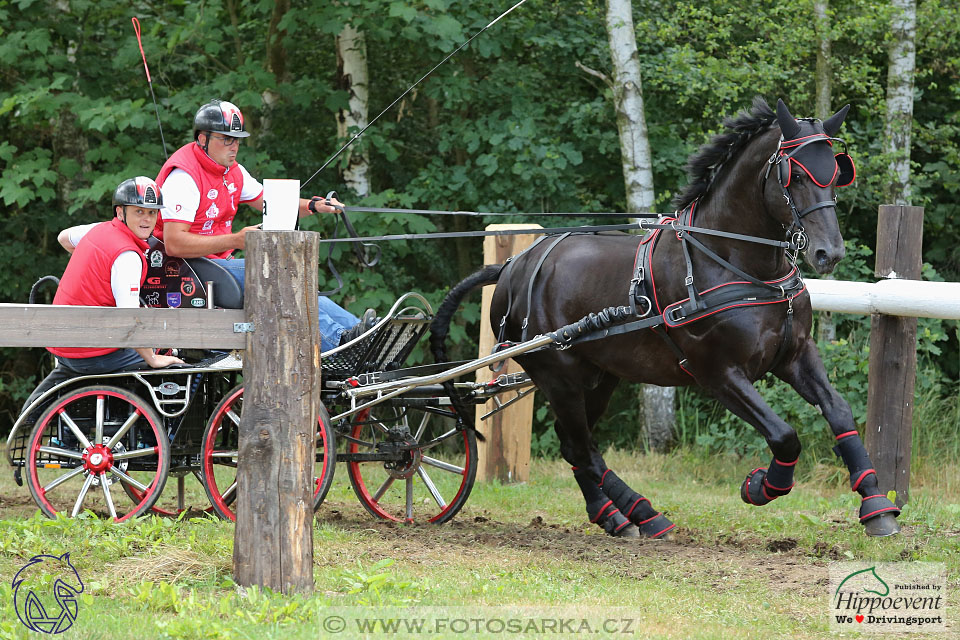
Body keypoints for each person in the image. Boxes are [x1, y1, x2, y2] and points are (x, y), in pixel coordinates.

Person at [154, 99, 375, 351]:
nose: (234, 146)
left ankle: (361, 333)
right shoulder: (183, 177)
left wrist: (314, 205)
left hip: (215, 263)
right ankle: (341, 341)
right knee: (272, 269)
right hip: (184, 269)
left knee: (293, 274)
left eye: (237, 140)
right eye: (226, 139)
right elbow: (174, 244)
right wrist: (236, 240)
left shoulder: (231, 171)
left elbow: (269, 203)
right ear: (202, 139)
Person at [48, 177, 185, 374]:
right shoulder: (127, 256)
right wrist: (153, 358)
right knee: (176, 362)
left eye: (152, 212)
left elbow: (64, 238)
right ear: (121, 212)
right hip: (92, 353)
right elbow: (128, 318)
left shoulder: (98, 229)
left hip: (64, 345)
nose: (146, 219)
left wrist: (99, 267)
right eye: (139, 211)